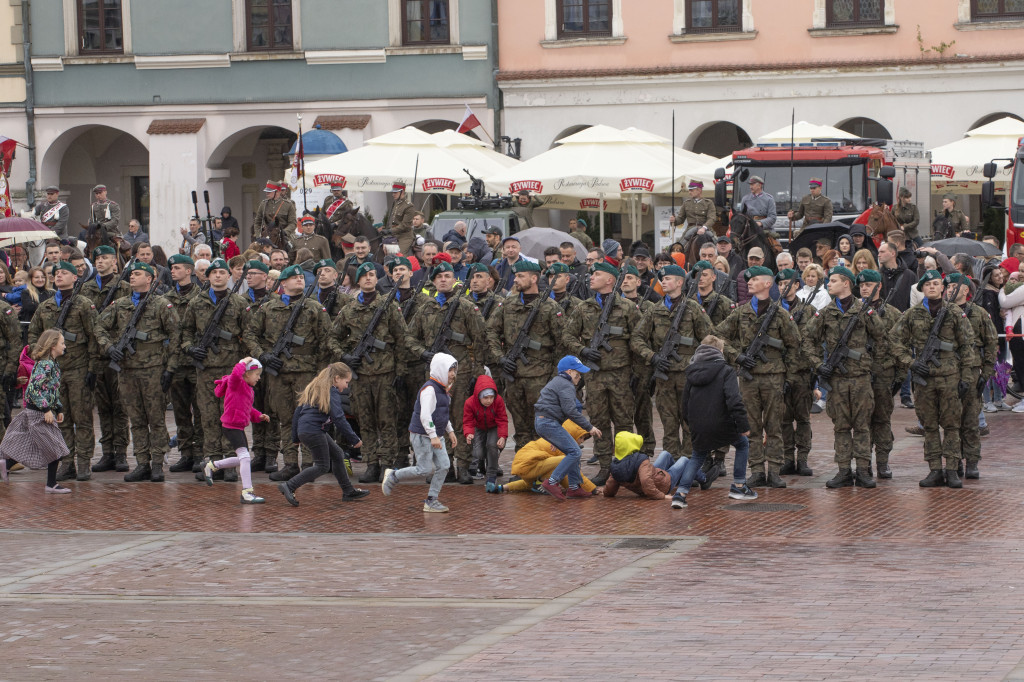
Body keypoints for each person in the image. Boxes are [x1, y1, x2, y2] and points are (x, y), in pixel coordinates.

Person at [244, 264, 334, 480]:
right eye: (294, 278)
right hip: (279, 372)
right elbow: (250, 334)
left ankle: (311, 464)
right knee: (285, 419)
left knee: (308, 419)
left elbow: (327, 339)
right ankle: (291, 464)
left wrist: (320, 373)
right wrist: (263, 356)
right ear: (282, 283)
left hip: (306, 372)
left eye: (302, 277)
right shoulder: (268, 308)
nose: (300, 280)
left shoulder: (314, 307)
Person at [714, 265, 801, 488]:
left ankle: (774, 471)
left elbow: (794, 346)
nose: (749, 282)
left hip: (774, 377)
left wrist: (789, 378)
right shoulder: (740, 312)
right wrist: (738, 356)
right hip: (748, 377)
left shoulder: (781, 314)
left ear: (768, 284)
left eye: (755, 279)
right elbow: (717, 335)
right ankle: (756, 470)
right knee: (751, 426)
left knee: (774, 426)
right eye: (748, 279)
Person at [802, 266, 886, 488]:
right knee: (840, 427)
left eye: (833, 281)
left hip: (860, 378)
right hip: (837, 380)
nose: (829, 284)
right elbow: (807, 339)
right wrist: (819, 365)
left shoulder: (864, 311)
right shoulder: (826, 312)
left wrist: (871, 365)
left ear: (846, 283)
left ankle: (864, 470)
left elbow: (882, 340)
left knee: (862, 426)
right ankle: (843, 471)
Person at [406, 260, 489, 483]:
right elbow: (409, 337)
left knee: (460, 419)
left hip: (460, 373)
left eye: (447, 276)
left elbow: (481, 338)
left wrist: (477, 372)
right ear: (433, 281)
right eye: (439, 277)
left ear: (454, 280)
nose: (443, 279)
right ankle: (444, 466)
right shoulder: (426, 308)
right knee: (436, 419)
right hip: (434, 376)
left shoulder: (465, 306)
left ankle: (462, 465)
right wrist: (423, 353)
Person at [891, 271, 976, 487]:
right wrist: (910, 362)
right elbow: (894, 339)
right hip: (924, 378)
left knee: (951, 426)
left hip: (949, 376)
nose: (931, 287)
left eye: (936, 283)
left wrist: (966, 378)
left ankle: (952, 470)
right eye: (927, 284)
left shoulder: (954, 312)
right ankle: (935, 469)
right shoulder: (913, 314)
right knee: (929, 426)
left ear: (942, 288)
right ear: (922, 289)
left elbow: (967, 345)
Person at [99, 262, 181, 482]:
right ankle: (142, 462)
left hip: (153, 371)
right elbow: (99, 327)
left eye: (137, 274)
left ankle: (156, 464)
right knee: (136, 419)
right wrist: (110, 348)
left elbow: (176, 336)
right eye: (131, 274)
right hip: (126, 372)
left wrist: (170, 368)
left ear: (150, 278)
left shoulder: (161, 304)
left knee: (155, 419)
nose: (132, 277)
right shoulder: (120, 304)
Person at [560, 262, 639, 486]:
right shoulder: (584, 308)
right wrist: (583, 350)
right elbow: (567, 336)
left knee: (624, 422)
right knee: (599, 422)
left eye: (597, 274)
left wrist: (637, 374)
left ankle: (626, 466)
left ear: (610, 280)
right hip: (594, 376)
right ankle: (605, 467)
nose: (591, 278)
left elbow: (638, 340)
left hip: (620, 375)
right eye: (592, 274)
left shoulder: (626, 308)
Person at [27, 261, 106, 480]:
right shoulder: (46, 306)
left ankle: (83, 463)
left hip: (79, 369)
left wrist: (92, 368)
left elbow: (93, 336)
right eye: (56, 273)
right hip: (53, 373)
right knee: (60, 420)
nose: (59, 276)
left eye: (64, 273)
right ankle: (66, 461)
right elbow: (33, 334)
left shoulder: (83, 304)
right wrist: (41, 352)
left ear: (75, 277)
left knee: (82, 419)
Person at [332, 263, 410, 482]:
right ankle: (371, 463)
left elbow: (403, 339)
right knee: (365, 421)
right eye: (363, 276)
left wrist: (400, 372)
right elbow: (332, 338)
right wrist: (345, 357)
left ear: (376, 279)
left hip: (386, 373)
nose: (368, 278)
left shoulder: (388, 305)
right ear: (357, 280)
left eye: (371, 275)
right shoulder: (349, 309)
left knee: (387, 421)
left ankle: (387, 463)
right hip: (360, 375)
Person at [631, 262, 710, 466]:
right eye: (661, 279)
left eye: (667, 279)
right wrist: (653, 357)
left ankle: (690, 465)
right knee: (668, 423)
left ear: (680, 282)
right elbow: (636, 338)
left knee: (690, 422)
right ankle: (671, 463)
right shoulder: (655, 310)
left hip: (688, 376)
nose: (663, 282)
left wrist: (698, 364)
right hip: (664, 377)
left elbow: (709, 339)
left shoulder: (693, 309)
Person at [181, 257, 252, 478]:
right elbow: (185, 333)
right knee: (208, 416)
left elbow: (248, 335)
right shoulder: (196, 302)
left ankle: (230, 463)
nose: (218, 276)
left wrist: (244, 364)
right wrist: (191, 349)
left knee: (230, 416)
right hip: (206, 369)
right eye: (214, 273)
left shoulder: (239, 303)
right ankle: (212, 461)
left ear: (229, 276)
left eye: (222, 272)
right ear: (208, 276)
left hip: (232, 370)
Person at [672, 335, 757, 508]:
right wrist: (743, 425)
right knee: (742, 444)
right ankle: (739, 486)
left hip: (698, 425)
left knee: (697, 456)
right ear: (720, 351)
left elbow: (685, 403)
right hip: (722, 423)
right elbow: (734, 400)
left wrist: (691, 423)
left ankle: (680, 495)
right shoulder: (726, 371)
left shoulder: (691, 372)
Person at [487, 260, 562, 448]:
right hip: (513, 376)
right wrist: (500, 358)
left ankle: (543, 469)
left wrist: (554, 377)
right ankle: (525, 468)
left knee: (542, 427)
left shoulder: (550, 307)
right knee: (520, 429)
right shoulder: (507, 304)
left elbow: (562, 344)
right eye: (515, 276)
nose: (516, 280)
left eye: (521, 276)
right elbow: (491, 332)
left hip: (540, 377)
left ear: (534, 278)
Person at [278, 362, 369, 506]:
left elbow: (297, 413)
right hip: (314, 431)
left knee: (338, 454)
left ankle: (348, 491)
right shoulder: (331, 391)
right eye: (346, 382)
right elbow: (339, 417)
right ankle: (289, 486)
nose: (346, 386)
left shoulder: (314, 387)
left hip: (307, 430)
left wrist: (295, 437)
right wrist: (354, 439)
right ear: (337, 378)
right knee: (322, 466)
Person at [381, 353, 459, 512]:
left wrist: (449, 431)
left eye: (454, 370)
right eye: (450, 370)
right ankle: (393, 475)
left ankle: (431, 500)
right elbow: (425, 416)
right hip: (423, 436)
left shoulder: (443, 389)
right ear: (440, 369)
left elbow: (442, 414)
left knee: (444, 465)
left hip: (436, 436)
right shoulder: (429, 390)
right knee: (424, 469)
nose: (453, 374)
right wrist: (433, 436)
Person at [0, 330, 72, 492]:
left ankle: (5, 462)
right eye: (62, 343)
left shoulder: (51, 363)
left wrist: (58, 407)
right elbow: (34, 390)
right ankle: (51, 484)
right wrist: (46, 409)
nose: (64, 346)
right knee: (55, 447)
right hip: (39, 413)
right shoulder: (45, 364)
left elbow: (50, 389)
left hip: (40, 411)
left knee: (32, 443)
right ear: (53, 346)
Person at [948, 273, 997, 479]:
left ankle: (972, 462)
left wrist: (986, 374)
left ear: (966, 290)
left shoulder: (979, 313)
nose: (949, 289)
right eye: (948, 286)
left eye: (954, 286)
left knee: (970, 421)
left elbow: (991, 343)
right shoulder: (943, 312)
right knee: (951, 421)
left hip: (971, 372)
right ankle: (954, 461)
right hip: (948, 373)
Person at [201, 358, 271, 503]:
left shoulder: (248, 389)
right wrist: (243, 362)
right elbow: (234, 375)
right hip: (230, 426)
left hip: (237, 427)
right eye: (257, 374)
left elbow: (248, 408)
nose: (259, 378)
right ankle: (247, 491)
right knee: (245, 457)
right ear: (246, 374)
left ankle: (212, 466)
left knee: (242, 458)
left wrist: (259, 416)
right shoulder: (236, 384)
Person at [532, 355, 602, 500]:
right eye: (578, 373)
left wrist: (554, 438)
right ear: (569, 372)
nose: (579, 377)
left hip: (543, 422)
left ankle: (574, 487)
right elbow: (570, 411)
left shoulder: (557, 381)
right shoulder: (566, 385)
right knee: (575, 452)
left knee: (572, 450)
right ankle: (552, 482)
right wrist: (589, 427)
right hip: (548, 422)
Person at [163, 254, 205, 475]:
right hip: (175, 363)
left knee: (200, 411)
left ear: (189, 271)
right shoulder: (166, 297)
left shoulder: (202, 296)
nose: (172, 271)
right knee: (180, 413)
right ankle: (186, 454)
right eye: (172, 268)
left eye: (177, 268)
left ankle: (200, 454)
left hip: (196, 363)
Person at [777, 268, 815, 477]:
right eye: (781, 284)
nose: (784, 287)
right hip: (780, 372)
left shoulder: (808, 311)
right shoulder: (773, 310)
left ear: (797, 285)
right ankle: (787, 459)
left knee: (802, 418)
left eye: (788, 284)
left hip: (801, 373)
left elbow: (813, 340)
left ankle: (803, 459)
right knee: (783, 419)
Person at [489, 419, 597, 494]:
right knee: (567, 462)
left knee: (530, 484)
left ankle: (501, 488)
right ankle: (541, 481)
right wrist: (592, 489)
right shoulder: (563, 445)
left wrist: (578, 487)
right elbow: (575, 474)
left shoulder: (557, 439)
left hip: (524, 466)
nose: (582, 441)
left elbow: (566, 477)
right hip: (529, 463)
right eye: (581, 437)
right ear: (572, 435)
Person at [462, 374, 508, 490]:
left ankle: (491, 475)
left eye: (491, 397)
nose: (489, 401)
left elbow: (502, 420)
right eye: (485, 398)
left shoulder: (498, 401)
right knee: (479, 454)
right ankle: (482, 463)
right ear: (479, 396)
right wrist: (468, 433)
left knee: (492, 446)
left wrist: (502, 436)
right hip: (479, 428)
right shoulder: (470, 403)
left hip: (494, 427)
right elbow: (467, 421)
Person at [998, 260, 1024, 411]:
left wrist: (1002, 289)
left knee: (1021, 364)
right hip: (1017, 330)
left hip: (1019, 332)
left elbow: (1006, 301)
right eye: (1020, 270)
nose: (1021, 274)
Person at [386, 181, 417, 256]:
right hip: (394, 234)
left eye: (395, 192)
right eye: (393, 192)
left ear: (402, 192)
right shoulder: (396, 203)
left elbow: (405, 225)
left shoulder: (409, 206)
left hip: (404, 236)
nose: (393, 194)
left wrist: (390, 231)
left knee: (399, 255)